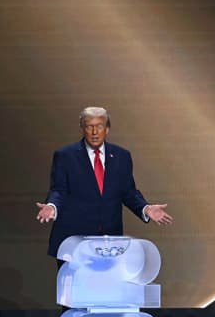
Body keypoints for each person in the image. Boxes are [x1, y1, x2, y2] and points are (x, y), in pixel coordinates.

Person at [35, 106, 173, 264]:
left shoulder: (122, 156)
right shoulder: (65, 156)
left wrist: (146, 208)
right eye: (89, 126)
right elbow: (59, 189)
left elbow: (128, 192)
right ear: (82, 128)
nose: (94, 132)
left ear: (107, 129)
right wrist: (52, 206)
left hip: (109, 243)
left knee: (106, 288)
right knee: (76, 288)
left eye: (99, 126)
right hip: (74, 242)